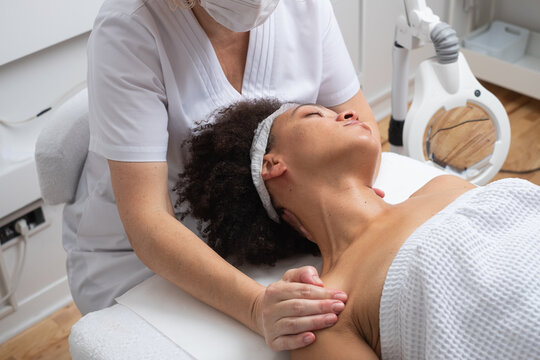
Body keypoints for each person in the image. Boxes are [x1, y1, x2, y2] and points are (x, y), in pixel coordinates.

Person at [63, 0, 380, 350]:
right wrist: (256, 306)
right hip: (145, 259)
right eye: (313, 116)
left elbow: (361, 126)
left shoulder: (306, 7)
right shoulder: (130, 28)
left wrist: (343, 206)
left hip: (275, 233)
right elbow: (147, 219)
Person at [175, 98, 540, 359]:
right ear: (272, 163)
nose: (348, 112)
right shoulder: (326, 312)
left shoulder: (442, 188)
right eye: (314, 114)